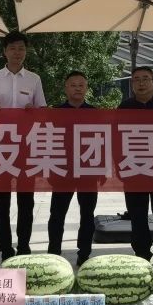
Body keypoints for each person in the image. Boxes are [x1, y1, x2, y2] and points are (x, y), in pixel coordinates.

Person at [0, 31, 46, 259]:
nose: (17, 53)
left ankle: (24, 245)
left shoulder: (34, 79)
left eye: (21, 49)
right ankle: (5, 248)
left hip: (26, 146)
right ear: (4, 51)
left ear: (26, 52)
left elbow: (42, 111)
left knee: (26, 200)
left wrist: (34, 111)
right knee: (1, 201)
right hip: (0, 146)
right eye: (13, 48)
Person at [119, 66, 153, 268]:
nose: (141, 83)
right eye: (137, 79)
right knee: (137, 214)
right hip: (134, 168)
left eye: (145, 79)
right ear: (132, 83)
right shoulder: (124, 107)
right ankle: (142, 253)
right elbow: (117, 138)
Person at [48, 71, 99, 265]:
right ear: (66, 88)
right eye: (73, 85)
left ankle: (84, 253)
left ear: (86, 88)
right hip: (62, 171)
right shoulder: (56, 113)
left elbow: (103, 142)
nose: (77, 88)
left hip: (88, 171)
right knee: (57, 214)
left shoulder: (94, 113)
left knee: (87, 215)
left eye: (81, 85)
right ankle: (54, 253)